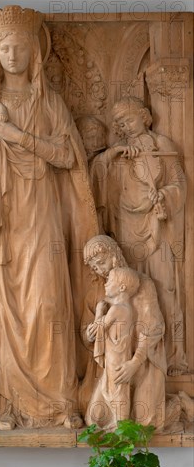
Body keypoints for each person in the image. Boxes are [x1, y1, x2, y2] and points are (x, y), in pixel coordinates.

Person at [0, 6, 98, 430]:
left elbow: (68, 156)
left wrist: (18, 137)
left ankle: (60, 402)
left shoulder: (50, 103)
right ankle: (2, 404)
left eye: (18, 48)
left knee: (47, 303)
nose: (10, 55)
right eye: (3, 47)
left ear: (33, 54)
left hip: (40, 211)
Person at [92, 97, 187, 376]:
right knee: (128, 292)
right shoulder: (119, 150)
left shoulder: (161, 146)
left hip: (156, 227)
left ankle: (172, 357)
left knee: (164, 287)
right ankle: (132, 355)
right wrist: (114, 154)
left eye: (129, 120)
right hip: (125, 228)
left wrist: (165, 196)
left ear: (144, 117)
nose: (125, 127)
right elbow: (96, 175)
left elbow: (178, 181)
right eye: (120, 124)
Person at [81, 235, 166, 431]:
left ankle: (180, 404)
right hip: (114, 364)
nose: (100, 270)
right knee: (94, 420)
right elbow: (87, 330)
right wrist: (90, 335)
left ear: (114, 254)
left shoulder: (143, 285)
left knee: (145, 422)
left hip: (142, 362)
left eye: (101, 262)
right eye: (95, 268)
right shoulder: (103, 290)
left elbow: (152, 329)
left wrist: (134, 364)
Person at [86, 267, 140, 430]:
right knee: (111, 395)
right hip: (113, 362)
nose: (105, 284)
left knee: (119, 394)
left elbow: (98, 329)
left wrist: (99, 311)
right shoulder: (125, 308)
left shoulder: (118, 309)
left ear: (122, 287)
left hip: (117, 364)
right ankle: (116, 426)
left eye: (109, 281)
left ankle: (121, 429)